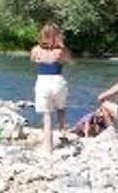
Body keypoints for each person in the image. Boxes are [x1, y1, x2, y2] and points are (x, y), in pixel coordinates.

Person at [30, 22, 73, 154]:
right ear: (57, 35)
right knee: (61, 108)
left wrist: (42, 59)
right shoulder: (61, 50)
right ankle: (62, 132)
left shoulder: (36, 49)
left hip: (43, 81)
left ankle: (48, 149)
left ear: (42, 35)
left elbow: (33, 59)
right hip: (58, 81)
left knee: (47, 116)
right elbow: (71, 62)